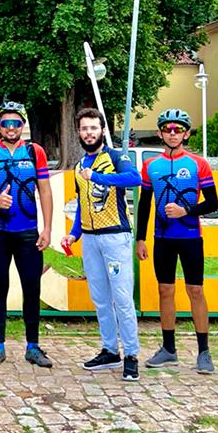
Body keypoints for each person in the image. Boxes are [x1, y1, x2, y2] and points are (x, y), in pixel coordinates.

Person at [136, 109, 218, 374]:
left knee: (195, 291)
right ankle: (169, 349)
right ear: (160, 133)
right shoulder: (151, 165)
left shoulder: (198, 164)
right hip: (162, 239)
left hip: (191, 237)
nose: (173, 134)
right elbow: (145, 204)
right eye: (168, 129)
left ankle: (204, 351)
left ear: (186, 133)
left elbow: (213, 203)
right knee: (165, 291)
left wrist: (187, 211)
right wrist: (140, 238)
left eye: (178, 129)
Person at [0, 101, 53, 368]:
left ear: (23, 126)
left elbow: (45, 191)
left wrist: (48, 228)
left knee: (32, 288)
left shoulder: (35, 151)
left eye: (16, 123)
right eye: (6, 123)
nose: (11, 128)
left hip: (28, 232)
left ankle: (33, 346)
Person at [64, 107, 142, 381]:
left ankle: (131, 354)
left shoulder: (115, 157)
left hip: (115, 235)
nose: (88, 133)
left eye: (93, 128)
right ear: (79, 133)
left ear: (101, 130)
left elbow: (134, 179)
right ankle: (110, 350)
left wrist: (97, 177)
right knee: (100, 299)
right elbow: (82, 207)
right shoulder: (78, 166)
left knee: (122, 298)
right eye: (84, 129)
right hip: (91, 238)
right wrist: (74, 234)